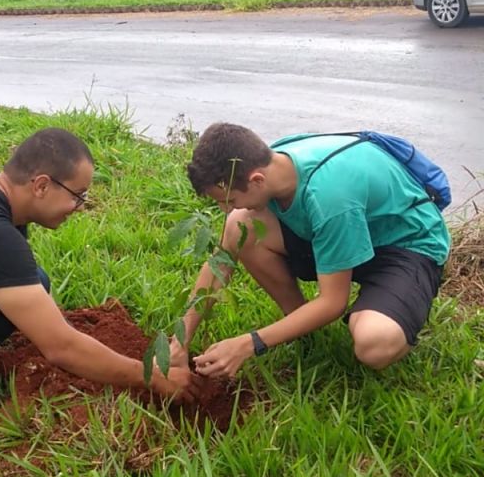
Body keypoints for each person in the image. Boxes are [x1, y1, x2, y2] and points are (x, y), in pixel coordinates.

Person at [0, 127, 199, 477]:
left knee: (34, 283)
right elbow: (61, 347)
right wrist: (153, 378)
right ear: (41, 185)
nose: (80, 207)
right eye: (79, 196)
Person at [169, 123, 450, 380]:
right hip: (351, 230)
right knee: (238, 227)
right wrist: (179, 343)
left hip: (405, 245)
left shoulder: (330, 199)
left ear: (256, 180)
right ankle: (303, 325)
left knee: (373, 343)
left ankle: (392, 309)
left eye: (230, 199)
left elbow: (333, 301)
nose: (226, 208)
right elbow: (221, 262)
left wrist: (248, 344)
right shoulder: (273, 163)